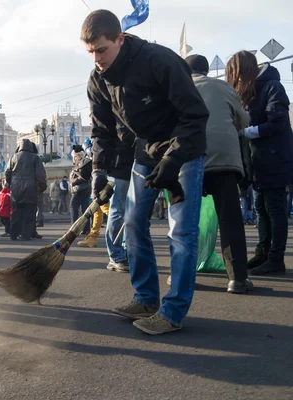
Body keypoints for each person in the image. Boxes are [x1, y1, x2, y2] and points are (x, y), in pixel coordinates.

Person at [82, 10, 209, 335]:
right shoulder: (98, 80)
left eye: (102, 50)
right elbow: (102, 131)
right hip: (146, 152)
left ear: (120, 40)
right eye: (90, 52)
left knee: (181, 233)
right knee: (133, 221)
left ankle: (173, 312)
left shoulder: (158, 61)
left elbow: (195, 115)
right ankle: (146, 297)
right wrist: (99, 170)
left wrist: (174, 160)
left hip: (185, 150)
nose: (97, 59)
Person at [186, 54, 253, 293]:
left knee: (185, 221)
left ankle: (182, 277)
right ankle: (237, 279)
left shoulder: (178, 87)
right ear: (206, 70)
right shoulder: (223, 87)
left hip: (189, 157)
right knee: (230, 218)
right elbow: (244, 120)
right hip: (224, 159)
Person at [226, 51, 292, 276]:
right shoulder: (256, 90)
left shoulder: (273, 87)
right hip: (260, 159)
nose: (236, 81)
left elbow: (278, 122)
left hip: (275, 158)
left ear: (245, 71)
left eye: (236, 75)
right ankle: (263, 252)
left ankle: (276, 258)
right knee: (262, 209)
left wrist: (247, 131)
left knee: (274, 209)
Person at [6, 139, 46, 241]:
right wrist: (42, 187)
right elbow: (40, 175)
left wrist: (11, 183)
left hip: (16, 187)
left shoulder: (13, 157)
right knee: (29, 211)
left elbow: (7, 172)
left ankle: (13, 234)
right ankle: (26, 234)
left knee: (16, 211)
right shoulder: (35, 158)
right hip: (30, 187)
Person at [69, 144, 93, 237]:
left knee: (73, 208)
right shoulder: (84, 162)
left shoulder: (83, 162)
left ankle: (74, 229)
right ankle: (86, 229)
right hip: (85, 190)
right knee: (84, 210)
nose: (74, 158)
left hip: (79, 190)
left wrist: (73, 182)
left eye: (74, 156)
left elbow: (84, 177)